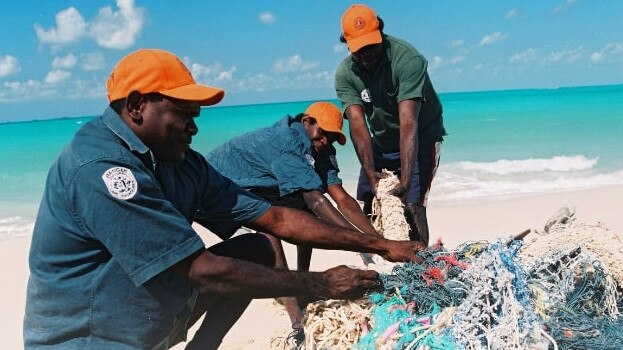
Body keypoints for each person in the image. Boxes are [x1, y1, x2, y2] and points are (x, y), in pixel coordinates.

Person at [23, 48, 424, 350]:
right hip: (94, 338)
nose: (194, 127)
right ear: (137, 105)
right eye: (184, 113)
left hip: (148, 314)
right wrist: (319, 283)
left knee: (260, 248)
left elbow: (277, 221)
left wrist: (382, 245)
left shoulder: (183, 162)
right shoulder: (101, 168)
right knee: (220, 267)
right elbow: (201, 269)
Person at [207, 101, 379, 335]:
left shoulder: (322, 150)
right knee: (269, 233)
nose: (325, 141)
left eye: (331, 137)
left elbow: (342, 199)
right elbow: (316, 200)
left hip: (257, 187)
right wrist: (362, 245)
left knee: (303, 215)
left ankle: (302, 288)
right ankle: (295, 316)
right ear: (306, 122)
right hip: (215, 189)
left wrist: (378, 240)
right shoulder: (289, 142)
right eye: (322, 133)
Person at [334, 4, 447, 246]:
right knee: (368, 202)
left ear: (381, 32)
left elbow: (409, 122)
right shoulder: (345, 74)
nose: (366, 54)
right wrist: (369, 171)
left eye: (371, 45)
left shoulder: (408, 59)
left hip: (422, 135)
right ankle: (380, 262)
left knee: (414, 206)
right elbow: (357, 125)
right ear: (346, 42)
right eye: (358, 49)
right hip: (382, 140)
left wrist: (405, 181)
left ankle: (421, 269)